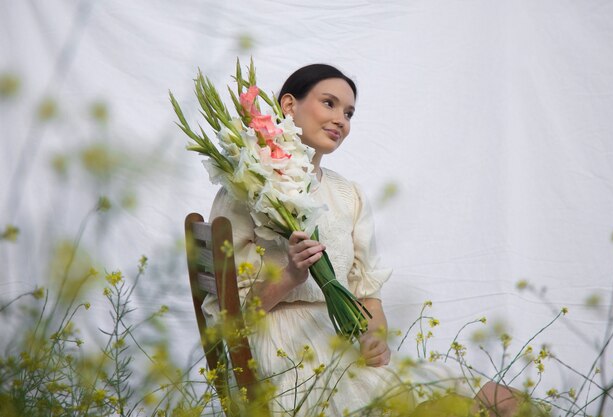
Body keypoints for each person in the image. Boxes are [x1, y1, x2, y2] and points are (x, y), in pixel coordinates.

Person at [202, 64, 523, 416]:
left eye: (349, 112)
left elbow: (367, 294)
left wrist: (374, 339)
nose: (341, 119)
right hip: (284, 350)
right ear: (289, 106)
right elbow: (232, 321)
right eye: (329, 103)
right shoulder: (247, 187)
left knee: (502, 399)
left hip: (338, 338)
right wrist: (291, 277)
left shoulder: (348, 194)